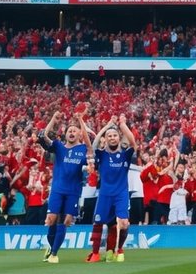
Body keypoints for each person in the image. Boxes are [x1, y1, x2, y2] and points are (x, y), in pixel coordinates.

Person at [38, 108, 90, 264]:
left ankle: (54, 253)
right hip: (57, 189)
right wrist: (54, 118)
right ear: (65, 134)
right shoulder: (59, 147)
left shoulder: (82, 150)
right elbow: (44, 136)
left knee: (66, 220)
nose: (72, 133)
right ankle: (51, 247)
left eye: (75, 131)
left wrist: (81, 121)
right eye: (69, 131)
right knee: (51, 220)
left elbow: (89, 143)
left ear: (79, 134)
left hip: (73, 191)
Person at [86, 115, 136, 263]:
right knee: (98, 223)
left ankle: (118, 249)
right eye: (110, 136)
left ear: (119, 138)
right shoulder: (102, 154)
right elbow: (93, 145)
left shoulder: (125, 154)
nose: (112, 138)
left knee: (123, 223)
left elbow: (133, 142)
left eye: (115, 135)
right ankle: (95, 253)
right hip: (105, 194)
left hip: (121, 194)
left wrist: (123, 125)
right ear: (106, 139)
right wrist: (107, 126)